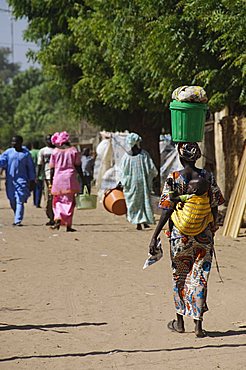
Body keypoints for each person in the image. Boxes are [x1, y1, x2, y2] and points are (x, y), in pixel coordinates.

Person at [148, 142, 224, 337]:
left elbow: (166, 209)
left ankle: (180, 322)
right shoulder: (208, 177)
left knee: (179, 275)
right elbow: (215, 204)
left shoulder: (174, 178)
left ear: (180, 158)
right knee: (200, 277)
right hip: (204, 235)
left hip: (179, 236)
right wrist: (212, 226)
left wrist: (155, 234)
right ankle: (198, 326)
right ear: (197, 157)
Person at [119, 132, 158, 230]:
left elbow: (123, 172)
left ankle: (139, 223)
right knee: (143, 202)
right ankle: (143, 221)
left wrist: (123, 182)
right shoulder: (144, 155)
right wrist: (152, 177)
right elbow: (151, 169)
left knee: (134, 202)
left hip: (132, 184)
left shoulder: (126, 157)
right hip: (143, 183)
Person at [49, 131, 84, 232]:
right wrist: (83, 178)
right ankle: (68, 225)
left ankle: (58, 216)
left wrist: (51, 181)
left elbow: (52, 168)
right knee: (69, 201)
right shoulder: (73, 151)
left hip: (58, 178)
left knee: (58, 200)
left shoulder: (55, 151)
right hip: (70, 178)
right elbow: (78, 165)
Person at [0, 135, 36, 226]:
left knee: (20, 199)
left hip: (22, 180)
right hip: (10, 180)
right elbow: (2, 161)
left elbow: (31, 168)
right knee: (12, 199)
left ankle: (17, 220)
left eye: (15, 142)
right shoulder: (8, 152)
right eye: (12, 142)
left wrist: (32, 180)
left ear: (20, 142)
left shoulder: (26, 154)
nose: (13, 143)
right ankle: (17, 213)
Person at [37, 135, 55, 226]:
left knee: (57, 198)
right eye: (48, 139)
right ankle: (51, 217)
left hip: (58, 178)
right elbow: (40, 164)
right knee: (48, 198)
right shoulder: (43, 151)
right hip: (47, 178)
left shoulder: (58, 150)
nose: (49, 141)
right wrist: (37, 176)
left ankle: (56, 217)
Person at [30, 141, 43, 208]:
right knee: (39, 188)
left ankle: (34, 201)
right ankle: (38, 202)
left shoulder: (30, 153)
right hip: (40, 172)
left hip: (31, 172)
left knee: (34, 187)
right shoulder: (40, 151)